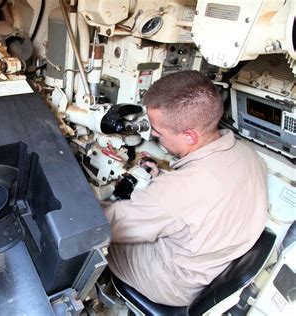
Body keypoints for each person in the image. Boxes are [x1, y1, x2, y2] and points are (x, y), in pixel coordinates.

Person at [103, 70, 268, 306]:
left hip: (173, 285)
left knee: (98, 240)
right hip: (214, 263)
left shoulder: (176, 192)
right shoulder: (248, 154)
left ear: (190, 136)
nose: (154, 136)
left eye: (158, 133)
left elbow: (107, 224)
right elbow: (193, 198)